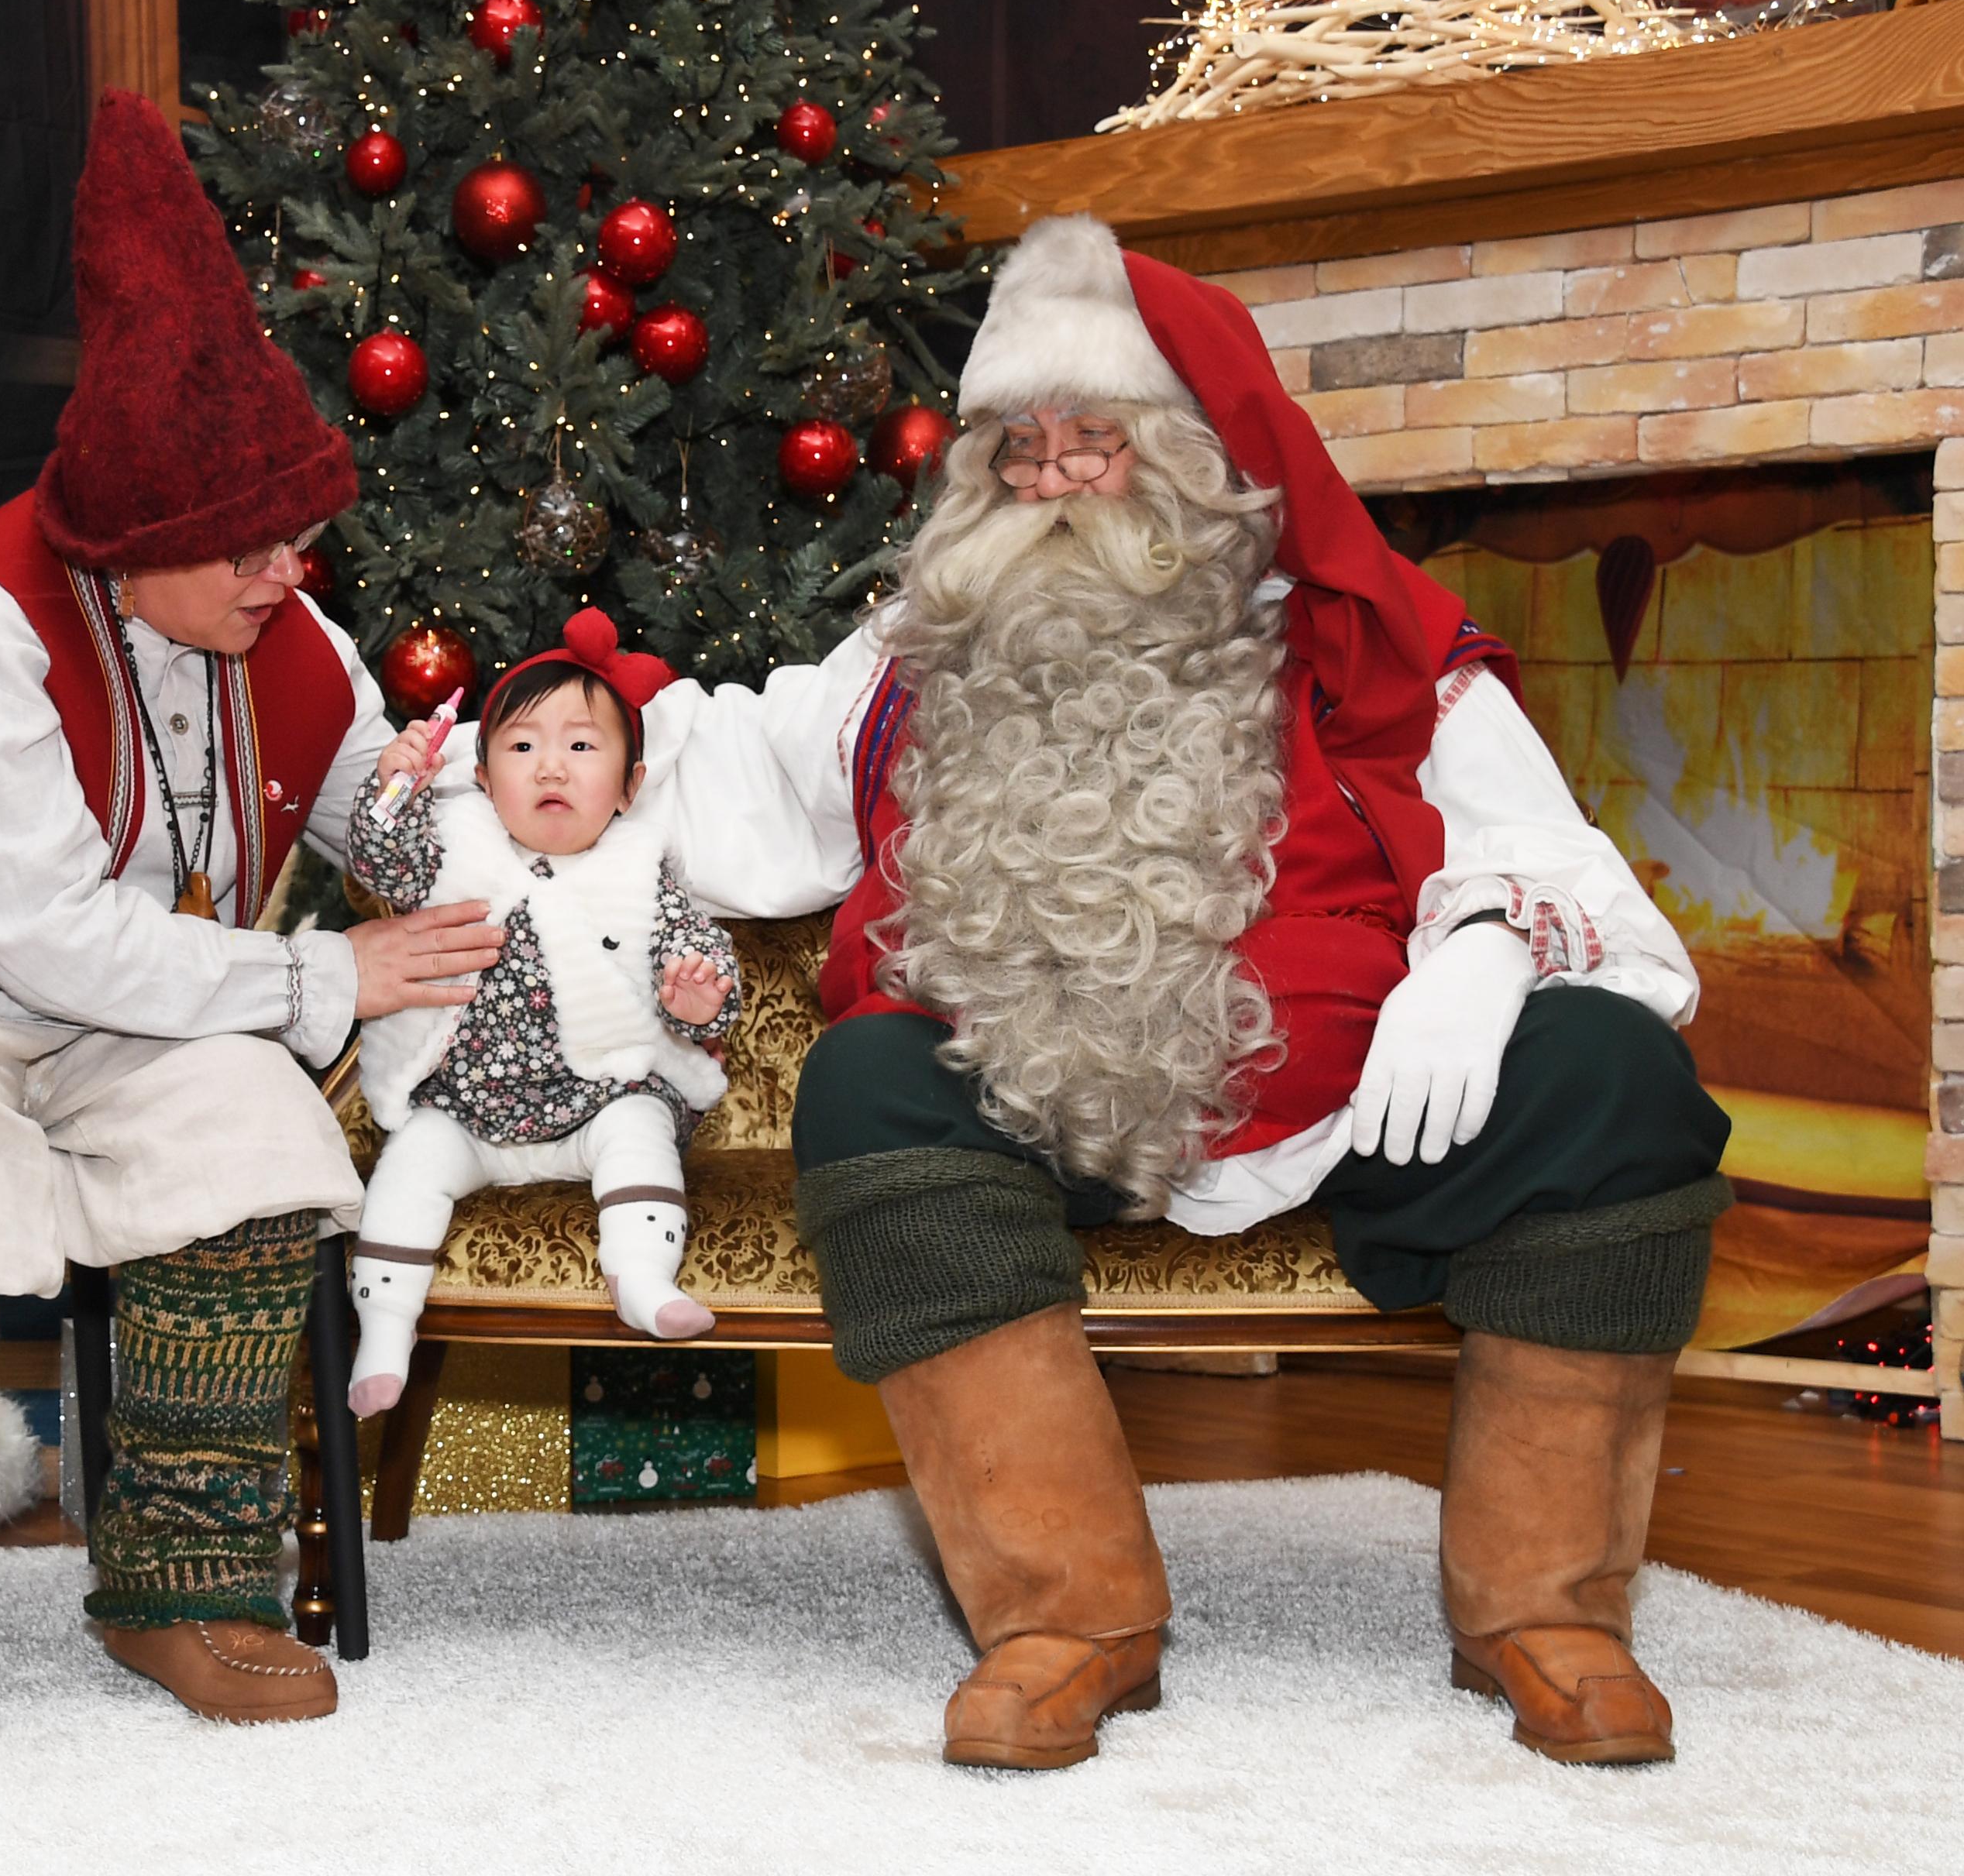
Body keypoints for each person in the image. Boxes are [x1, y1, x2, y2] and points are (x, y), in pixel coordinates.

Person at [628, 215, 1728, 1771]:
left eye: (1100, 441)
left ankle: (1546, 1612)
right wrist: (530, 734)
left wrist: (1483, 952)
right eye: (1023, 446)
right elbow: (712, 784)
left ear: (1200, 458)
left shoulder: (1365, 644)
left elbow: (1589, 894)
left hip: (1351, 1102)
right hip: (1033, 1091)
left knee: (1613, 1078)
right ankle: (1066, 1616)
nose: (1054, 477)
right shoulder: (906, 663)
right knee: (870, 1082)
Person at [0, 91, 504, 1779]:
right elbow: (48, 931)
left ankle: (184, 1581)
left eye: (299, 534)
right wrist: (317, 972)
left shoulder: (279, 621)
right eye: (249, 545)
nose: (291, 570)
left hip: (119, 999)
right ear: (129, 540)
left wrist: (514, 801)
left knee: (256, 1126)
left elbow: (368, 808)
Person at [343, 610, 739, 1415]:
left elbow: (699, 955)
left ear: (630, 786)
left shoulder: (643, 870)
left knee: (642, 1129)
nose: (551, 766)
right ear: (484, 777)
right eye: (522, 747)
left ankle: (643, 1276)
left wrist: (699, 995)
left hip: (599, 1096)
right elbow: (380, 856)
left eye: (582, 747)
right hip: (465, 1107)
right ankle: (385, 1327)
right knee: (411, 1163)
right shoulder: (453, 844)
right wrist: (397, 783)